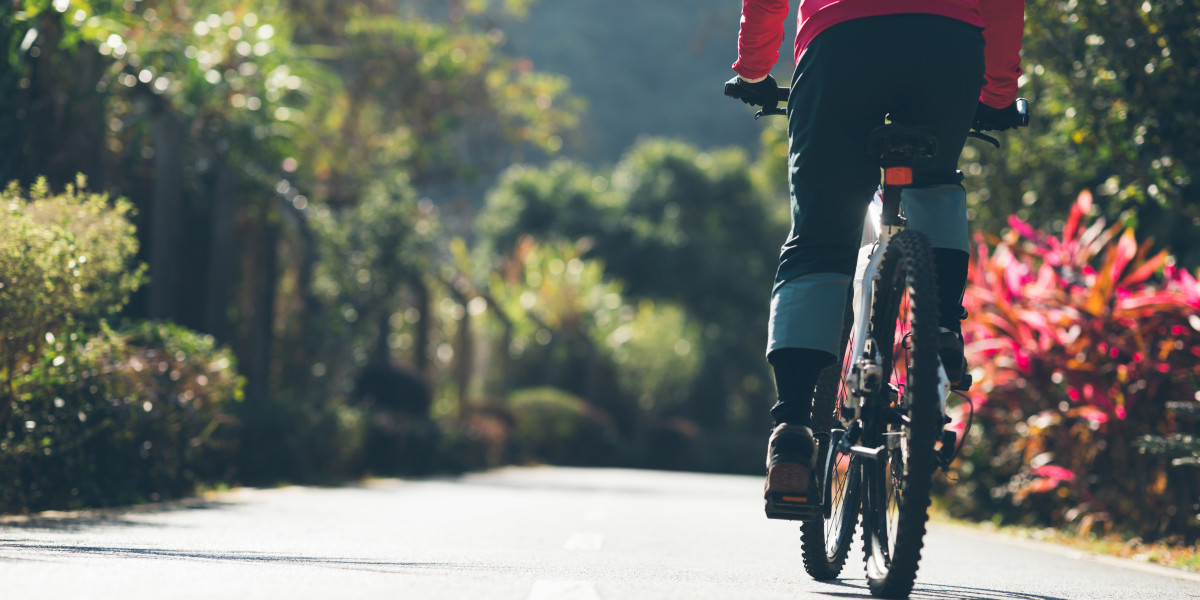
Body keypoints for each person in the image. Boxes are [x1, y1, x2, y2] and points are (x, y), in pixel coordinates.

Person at [724, 0, 1026, 519]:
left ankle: (793, 432)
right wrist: (998, 94)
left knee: (820, 239)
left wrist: (754, 71)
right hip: (947, 43)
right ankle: (943, 330)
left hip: (841, 44)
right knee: (934, 182)